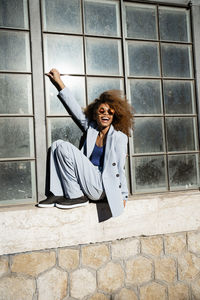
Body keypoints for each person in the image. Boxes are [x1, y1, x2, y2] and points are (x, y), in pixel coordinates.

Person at [38, 69, 134, 217]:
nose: (105, 115)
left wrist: (123, 195)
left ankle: (76, 195)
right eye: (102, 111)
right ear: (96, 113)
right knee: (57, 144)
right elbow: (75, 108)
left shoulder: (119, 138)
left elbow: (119, 168)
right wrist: (58, 82)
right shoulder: (92, 129)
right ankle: (57, 193)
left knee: (64, 147)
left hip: (101, 186)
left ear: (115, 115)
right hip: (88, 180)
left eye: (110, 112)